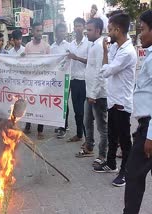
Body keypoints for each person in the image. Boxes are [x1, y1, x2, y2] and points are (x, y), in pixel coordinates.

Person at [93, 14, 137, 187]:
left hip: (122, 102)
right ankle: (111, 163)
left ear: (118, 29)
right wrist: (105, 51)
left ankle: (125, 172)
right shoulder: (115, 48)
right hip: (112, 100)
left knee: (125, 141)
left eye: (110, 29)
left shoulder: (127, 52)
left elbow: (106, 71)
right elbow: (107, 65)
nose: (108, 32)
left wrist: (105, 60)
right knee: (112, 135)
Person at [123, 10, 152, 214]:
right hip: (145, 127)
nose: (139, 34)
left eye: (142, 29)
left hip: (149, 130)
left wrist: (150, 135)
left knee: (133, 175)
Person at [75, 18, 108, 168]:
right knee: (87, 121)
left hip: (98, 95)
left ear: (98, 31)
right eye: (86, 29)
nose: (86, 32)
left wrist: (93, 94)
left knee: (102, 126)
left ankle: (103, 155)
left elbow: (100, 72)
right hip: (91, 93)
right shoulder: (93, 45)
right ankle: (89, 146)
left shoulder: (100, 46)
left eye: (89, 30)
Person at [23, 22, 50, 140]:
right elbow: (24, 63)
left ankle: (40, 130)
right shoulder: (28, 46)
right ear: (32, 32)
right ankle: (28, 126)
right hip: (30, 81)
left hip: (42, 82)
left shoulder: (46, 46)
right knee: (28, 103)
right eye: (37, 31)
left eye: (41, 31)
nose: (39, 33)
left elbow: (50, 63)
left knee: (40, 105)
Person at [67, 18, 89, 142]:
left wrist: (76, 58)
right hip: (73, 80)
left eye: (80, 26)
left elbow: (90, 61)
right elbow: (67, 59)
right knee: (76, 109)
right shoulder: (72, 44)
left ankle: (87, 138)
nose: (77, 28)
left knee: (84, 111)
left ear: (84, 27)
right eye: (75, 26)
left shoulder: (88, 43)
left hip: (84, 80)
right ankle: (79, 134)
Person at [50, 23, 70, 139]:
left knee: (65, 102)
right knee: (56, 102)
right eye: (60, 31)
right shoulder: (52, 48)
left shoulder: (68, 46)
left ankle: (64, 127)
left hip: (66, 78)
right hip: (55, 79)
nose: (62, 33)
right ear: (56, 32)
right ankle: (59, 123)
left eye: (64, 31)